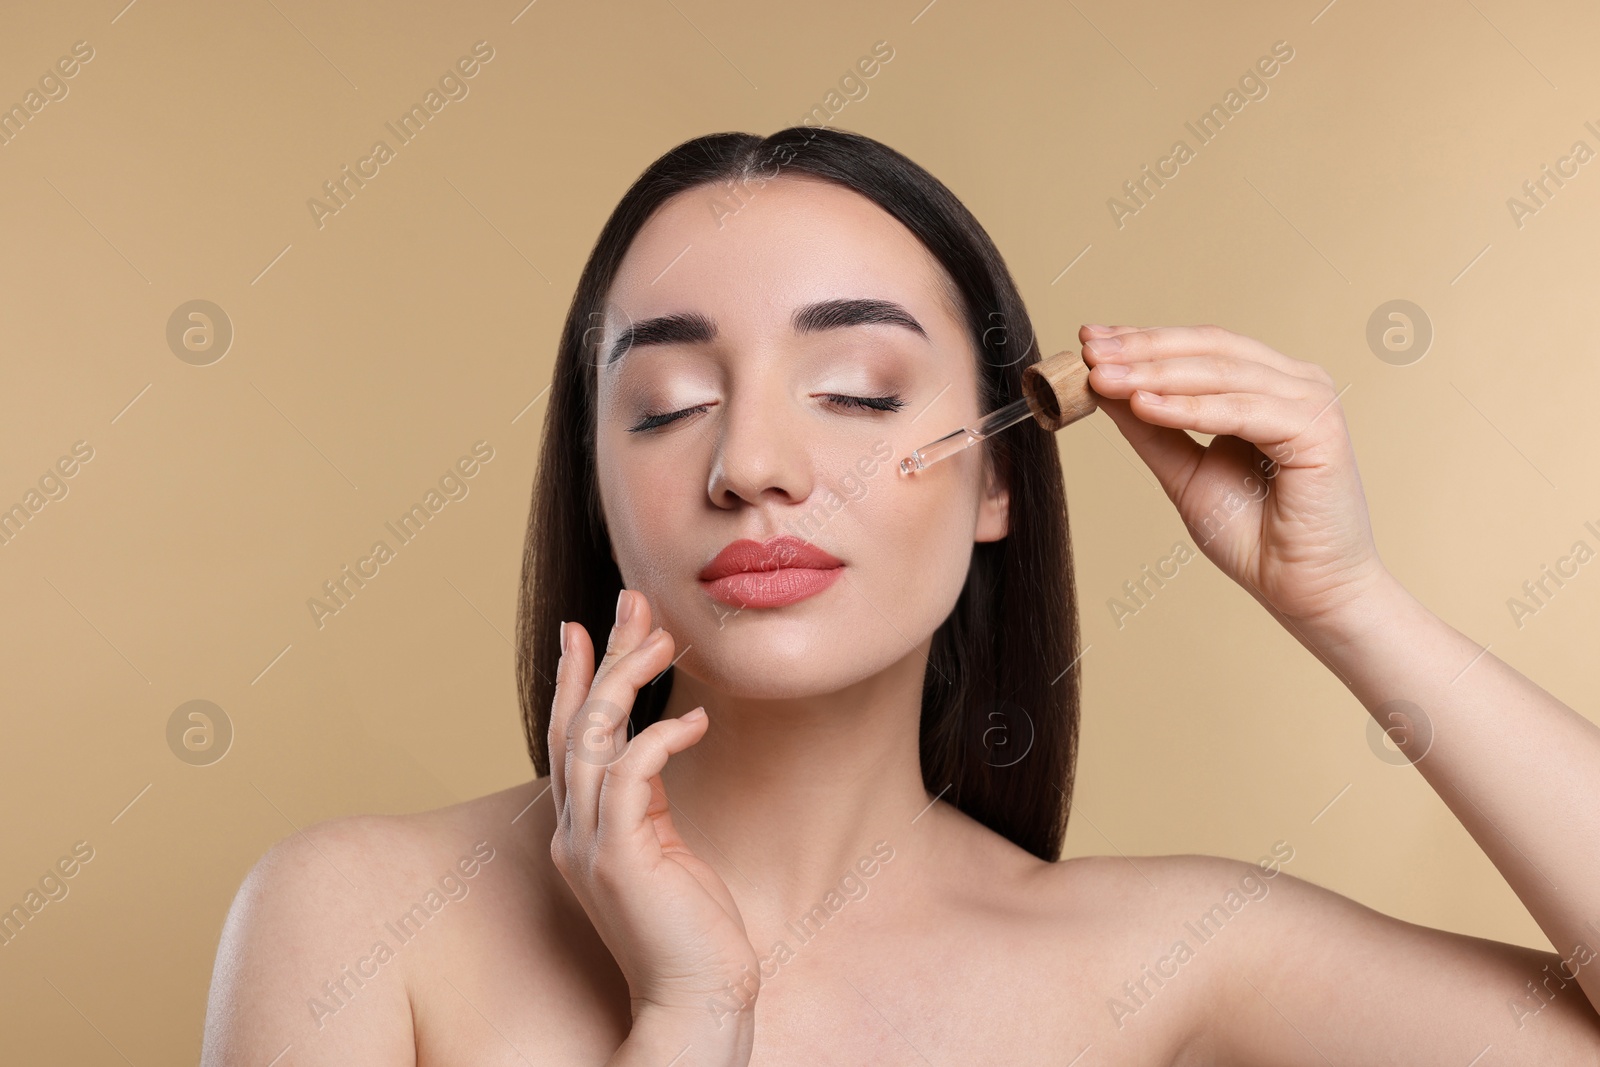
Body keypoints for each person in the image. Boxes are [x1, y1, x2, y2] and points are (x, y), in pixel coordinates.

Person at [200, 127, 1600, 1065]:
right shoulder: (356, 917)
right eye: (667, 405)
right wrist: (690, 1017)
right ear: (598, 493)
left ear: (998, 479)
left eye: (857, 393)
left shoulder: (1176, 961)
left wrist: (1344, 599)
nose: (752, 465)